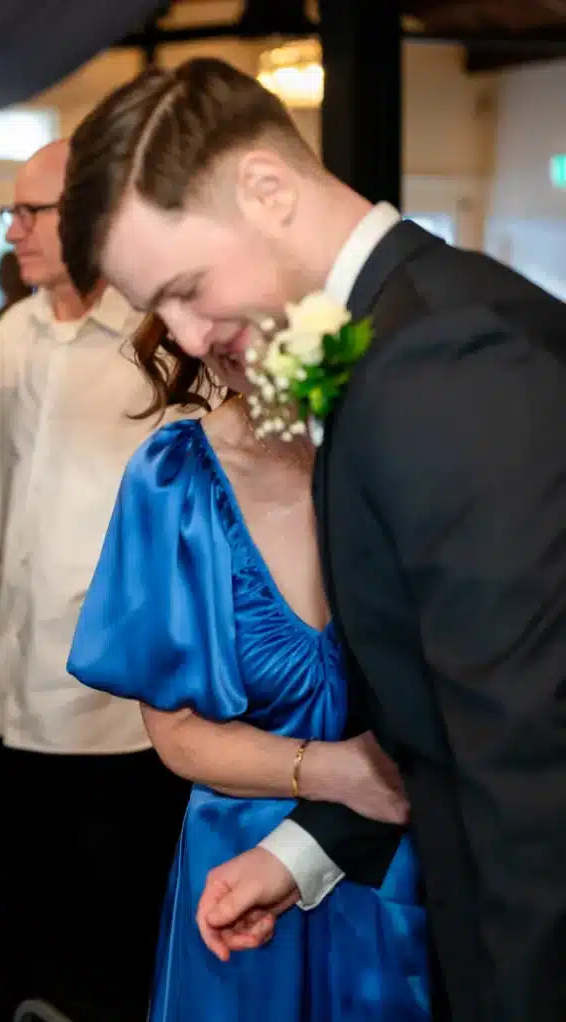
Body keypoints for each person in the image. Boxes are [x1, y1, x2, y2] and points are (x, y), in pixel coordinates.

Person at [57, 56, 566, 1022]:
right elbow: (434, 725)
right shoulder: (380, 353)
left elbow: (528, 759)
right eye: (157, 309)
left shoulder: (447, 360)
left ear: (267, 188)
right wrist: (303, 851)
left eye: (187, 287)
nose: (186, 334)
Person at [66, 323, 428, 1020]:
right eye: (176, 308)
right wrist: (340, 773)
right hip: (240, 864)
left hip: (410, 858)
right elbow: (176, 734)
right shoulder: (173, 478)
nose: (205, 331)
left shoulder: (400, 449)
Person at [0, 139, 194, 1022]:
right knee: (25, 932)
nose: (13, 231)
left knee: (115, 934)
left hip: (121, 709)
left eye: (33, 212)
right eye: (12, 212)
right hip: (12, 683)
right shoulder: (15, 330)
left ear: (93, 218)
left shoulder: (163, 338)